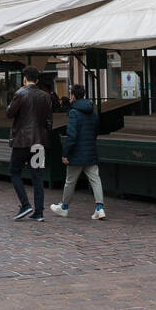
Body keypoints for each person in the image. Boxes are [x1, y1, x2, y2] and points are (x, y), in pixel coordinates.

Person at [49, 84, 105, 220]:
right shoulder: (93, 111)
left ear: (73, 96)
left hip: (76, 153)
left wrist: (65, 153)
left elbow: (71, 136)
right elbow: (96, 130)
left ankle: (64, 207)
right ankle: (99, 208)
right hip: (90, 150)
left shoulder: (73, 112)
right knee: (95, 179)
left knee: (70, 181)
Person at [6, 66, 52, 222]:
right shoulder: (45, 96)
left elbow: (9, 113)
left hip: (22, 141)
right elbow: (49, 121)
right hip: (39, 143)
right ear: (37, 80)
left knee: (14, 171)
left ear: (24, 78)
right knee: (37, 176)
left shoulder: (20, 94)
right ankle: (39, 212)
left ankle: (25, 204)